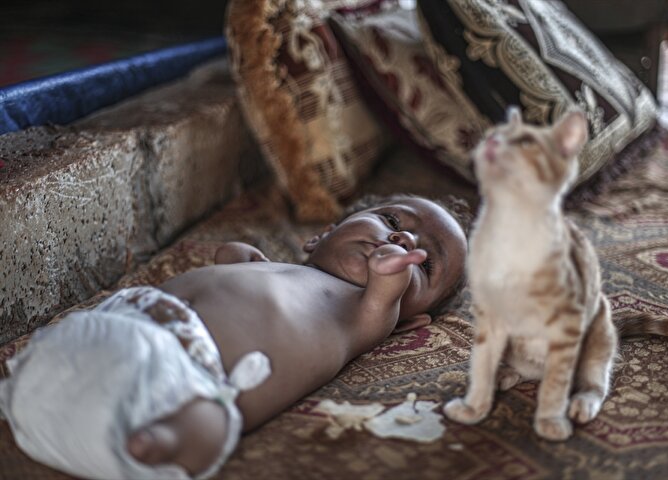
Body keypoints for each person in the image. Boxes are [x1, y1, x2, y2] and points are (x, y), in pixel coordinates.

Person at [0, 194, 469, 480]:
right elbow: (244, 281)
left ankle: (159, 443)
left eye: (426, 264)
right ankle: (30, 381)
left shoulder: (367, 316)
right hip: (128, 323)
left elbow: (384, 293)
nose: (406, 241)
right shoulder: (279, 269)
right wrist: (241, 260)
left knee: (209, 421)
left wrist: (391, 279)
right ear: (323, 234)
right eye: (393, 221)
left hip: (193, 378)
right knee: (61, 346)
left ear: (407, 324)